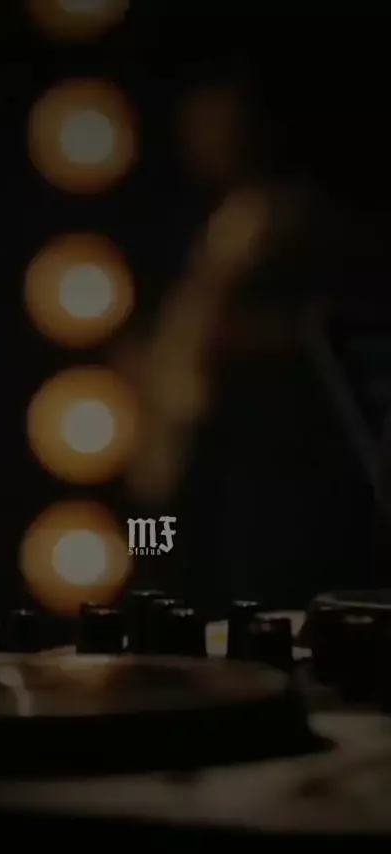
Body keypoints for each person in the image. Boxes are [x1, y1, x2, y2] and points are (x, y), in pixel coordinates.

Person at [117, 78, 377, 606]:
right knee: (155, 554)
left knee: (233, 582)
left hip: (238, 443)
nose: (203, 139)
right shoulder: (205, 218)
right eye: (196, 124)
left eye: (218, 123)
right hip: (167, 437)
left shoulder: (298, 216)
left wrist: (233, 343)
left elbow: (323, 323)